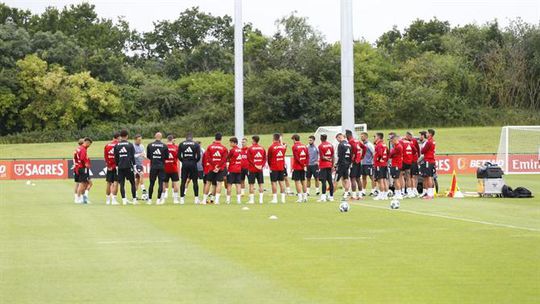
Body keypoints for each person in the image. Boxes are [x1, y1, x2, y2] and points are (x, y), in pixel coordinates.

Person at [203, 133, 228, 204]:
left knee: (208, 183)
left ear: (215, 138)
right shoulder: (224, 148)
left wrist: (214, 166)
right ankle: (216, 201)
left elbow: (208, 158)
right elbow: (224, 159)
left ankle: (204, 200)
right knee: (219, 183)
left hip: (211, 168)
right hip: (220, 169)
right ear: (221, 138)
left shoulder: (210, 147)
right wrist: (218, 166)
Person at [114, 130, 137, 205]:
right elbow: (132, 157)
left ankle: (124, 200)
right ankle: (134, 200)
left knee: (122, 184)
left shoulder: (117, 145)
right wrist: (134, 166)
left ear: (120, 136)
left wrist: (117, 166)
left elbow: (116, 157)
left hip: (120, 167)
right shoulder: (130, 145)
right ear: (127, 136)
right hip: (128, 166)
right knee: (132, 183)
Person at [179, 133, 202, 204]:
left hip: (185, 163)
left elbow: (179, 155)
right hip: (193, 164)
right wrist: (194, 161)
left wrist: (183, 161)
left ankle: (182, 199)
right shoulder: (196, 144)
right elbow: (198, 156)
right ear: (192, 138)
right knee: (195, 181)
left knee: (183, 181)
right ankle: (196, 199)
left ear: (186, 138)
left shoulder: (181, 144)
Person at [146, 132, 168, 205]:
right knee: (160, 183)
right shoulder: (164, 146)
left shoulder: (150, 145)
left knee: (151, 183)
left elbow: (148, 156)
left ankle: (149, 199)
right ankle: (158, 200)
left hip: (153, 166)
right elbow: (166, 157)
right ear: (161, 137)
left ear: (155, 137)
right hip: (161, 166)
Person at [346, 129, 366, 199]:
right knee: (358, 178)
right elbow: (364, 147)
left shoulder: (350, 142)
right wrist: (362, 156)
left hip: (354, 162)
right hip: (358, 162)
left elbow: (352, 151)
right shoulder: (357, 140)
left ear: (348, 135)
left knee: (353, 178)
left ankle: (354, 196)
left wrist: (353, 157)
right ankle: (360, 195)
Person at [267, 133, 287, 203]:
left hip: (274, 167)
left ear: (273, 138)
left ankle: (275, 199)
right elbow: (283, 155)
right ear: (279, 138)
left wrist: (270, 166)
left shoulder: (271, 147)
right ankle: (283, 199)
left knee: (274, 183)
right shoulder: (282, 147)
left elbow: (269, 158)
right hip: (281, 167)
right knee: (281, 182)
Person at [247, 135, 266, 204]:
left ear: (253, 140)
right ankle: (261, 200)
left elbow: (249, 159)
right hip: (260, 169)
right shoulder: (262, 148)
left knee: (251, 184)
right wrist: (261, 166)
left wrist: (255, 165)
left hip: (252, 169)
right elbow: (264, 158)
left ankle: (252, 200)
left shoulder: (250, 148)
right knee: (261, 184)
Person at [291, 134, 309, 202]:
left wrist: (301, 164)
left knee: (297, 181)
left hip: (297, 166)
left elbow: (296, 157)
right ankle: (305, 197)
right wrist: (305, 164)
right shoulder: (304, 146)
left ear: (294, 139)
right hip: (303, 166)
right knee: (303, 181)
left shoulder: (294, 146)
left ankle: (300, 198)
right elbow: (307, 156)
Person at [163, 135, 180, 204]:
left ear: (167, 139)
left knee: (164, 183)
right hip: (174, 167)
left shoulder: (163, 147)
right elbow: (178, 157)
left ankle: (163, 199)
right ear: (172, 140)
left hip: (165, 167)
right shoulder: (176, 147)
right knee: (175, 183)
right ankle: (175, 199)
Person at [75, 137, 93, 204]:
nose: (89, 146)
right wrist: (86, 164)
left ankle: (82, 198)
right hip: (83, 168)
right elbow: (82, 158)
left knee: (84, 183)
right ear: (87, 142)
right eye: (89, 144)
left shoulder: (79, 148)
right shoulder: (83, 149)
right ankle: (79, 198)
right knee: (82, 183)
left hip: (79, 167)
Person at [317, 134, 335, 202]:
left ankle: (323, 197)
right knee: (330, 182)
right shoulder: (331, 145)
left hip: (323, 166)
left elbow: (322, 157)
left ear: (321, 138)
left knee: (323, 181)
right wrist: (332, 165)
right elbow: (333, 156)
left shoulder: (320, 146)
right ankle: (331, 197)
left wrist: (327, 159)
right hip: (329, 166)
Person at [226, 137, 243, 204]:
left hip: (232, 169)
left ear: (234, 143)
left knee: (229, 184)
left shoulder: (232, 150)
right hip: (238, 169)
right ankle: (238, 200)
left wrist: (230, 160)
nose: (230, 143)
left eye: (231, 142)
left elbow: (227, 158)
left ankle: (228, 200)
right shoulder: (240, 150)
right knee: (238, 185)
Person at [421, 129, 437, 199]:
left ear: (430, 134)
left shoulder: (429, 142)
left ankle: (430, 194)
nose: (426, 134)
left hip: (428, 160)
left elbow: (423, 151)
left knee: (428, 177)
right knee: (430, 176)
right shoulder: (433, 141)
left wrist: (422, 149)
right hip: (431, 160)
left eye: (427, 133)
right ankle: (430, 193)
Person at [104, 132, 119, 205]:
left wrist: (108, 165)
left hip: (109, 166)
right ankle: (113, 200)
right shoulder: (118, 145)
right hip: (116, 166)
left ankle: (107, 200)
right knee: (116, 182)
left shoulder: (107, 145)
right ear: (118, 137)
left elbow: (105, 157)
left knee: (108, 182)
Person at [335, 133, 352, 198]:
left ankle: (331, 195)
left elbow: (339, 156)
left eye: (337, 139)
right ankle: (346, 193)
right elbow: (351, 155)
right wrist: (349, 163)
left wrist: (336, 164)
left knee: (336, 179)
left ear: (339, 137)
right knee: (346, 179)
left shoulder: (340, 144)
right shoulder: (349, 145)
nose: (338, 141)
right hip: (347, 164)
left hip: (341, 164)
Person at [373, 133, 389, 200]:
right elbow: (388, 153)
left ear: (378, 137)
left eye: (375, 136)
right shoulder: (384, 144)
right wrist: (385, 160)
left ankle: (381, 194)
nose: (374, 138)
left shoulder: (379, 145)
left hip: (379, 164)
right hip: (384, 164)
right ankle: (385, 195)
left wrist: (377, 160)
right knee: (384, 179)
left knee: (380, 180)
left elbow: (379, 154)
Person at [360, 132, 376, 196]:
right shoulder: (362, 144)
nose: (361, 137)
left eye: (362, 136)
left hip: (369, 164)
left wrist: (372, 161)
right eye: (361, 136)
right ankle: (363, 191)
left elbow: (374, 153)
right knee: (363, 177)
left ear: (366, 137)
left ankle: (373, 191)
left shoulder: (369, 144)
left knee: (372, 177)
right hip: (363, 164)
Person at [406, 131, 421, 197]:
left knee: (415, 175)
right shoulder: (405, 141)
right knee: (410, 176)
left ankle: (415, 189)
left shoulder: (414, 141)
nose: (410, 137)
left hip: (414, 161)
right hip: (408, 161)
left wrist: (417, 158)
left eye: (411, 135)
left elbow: (417, 150)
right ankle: (411, 189)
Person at [389, 134, 404, 200]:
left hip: (396, 165)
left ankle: (399, 194)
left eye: (392, 141)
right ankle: (397, 193)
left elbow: (391, 155)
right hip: (395, 164)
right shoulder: (397, 146)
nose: (391, 142)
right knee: (395, 180)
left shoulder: (398, 147)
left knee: (396, 180)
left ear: (395, 140)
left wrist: (391, 152)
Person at [133, 134, 147, 201]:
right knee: (141, 174)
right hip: (135, 164)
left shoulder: (141, 146)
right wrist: (139, 154)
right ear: (135, 140)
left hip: (140, 164)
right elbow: (132, 156)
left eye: (141, 140)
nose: (140, 141)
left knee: (137, 180)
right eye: (139, 140)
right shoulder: (132, 146)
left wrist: (145, 156)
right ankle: (144, 192)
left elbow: (144, 153)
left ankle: (135, 195)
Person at [72, 138, 84, 203]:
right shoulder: (82, 149)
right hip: (80, 167)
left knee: (77, 183)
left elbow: (73, 158)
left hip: (76, 167)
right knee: (81, 183)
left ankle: (76, 198)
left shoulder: (76, 149)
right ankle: (80, 197)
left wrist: (74, 164)